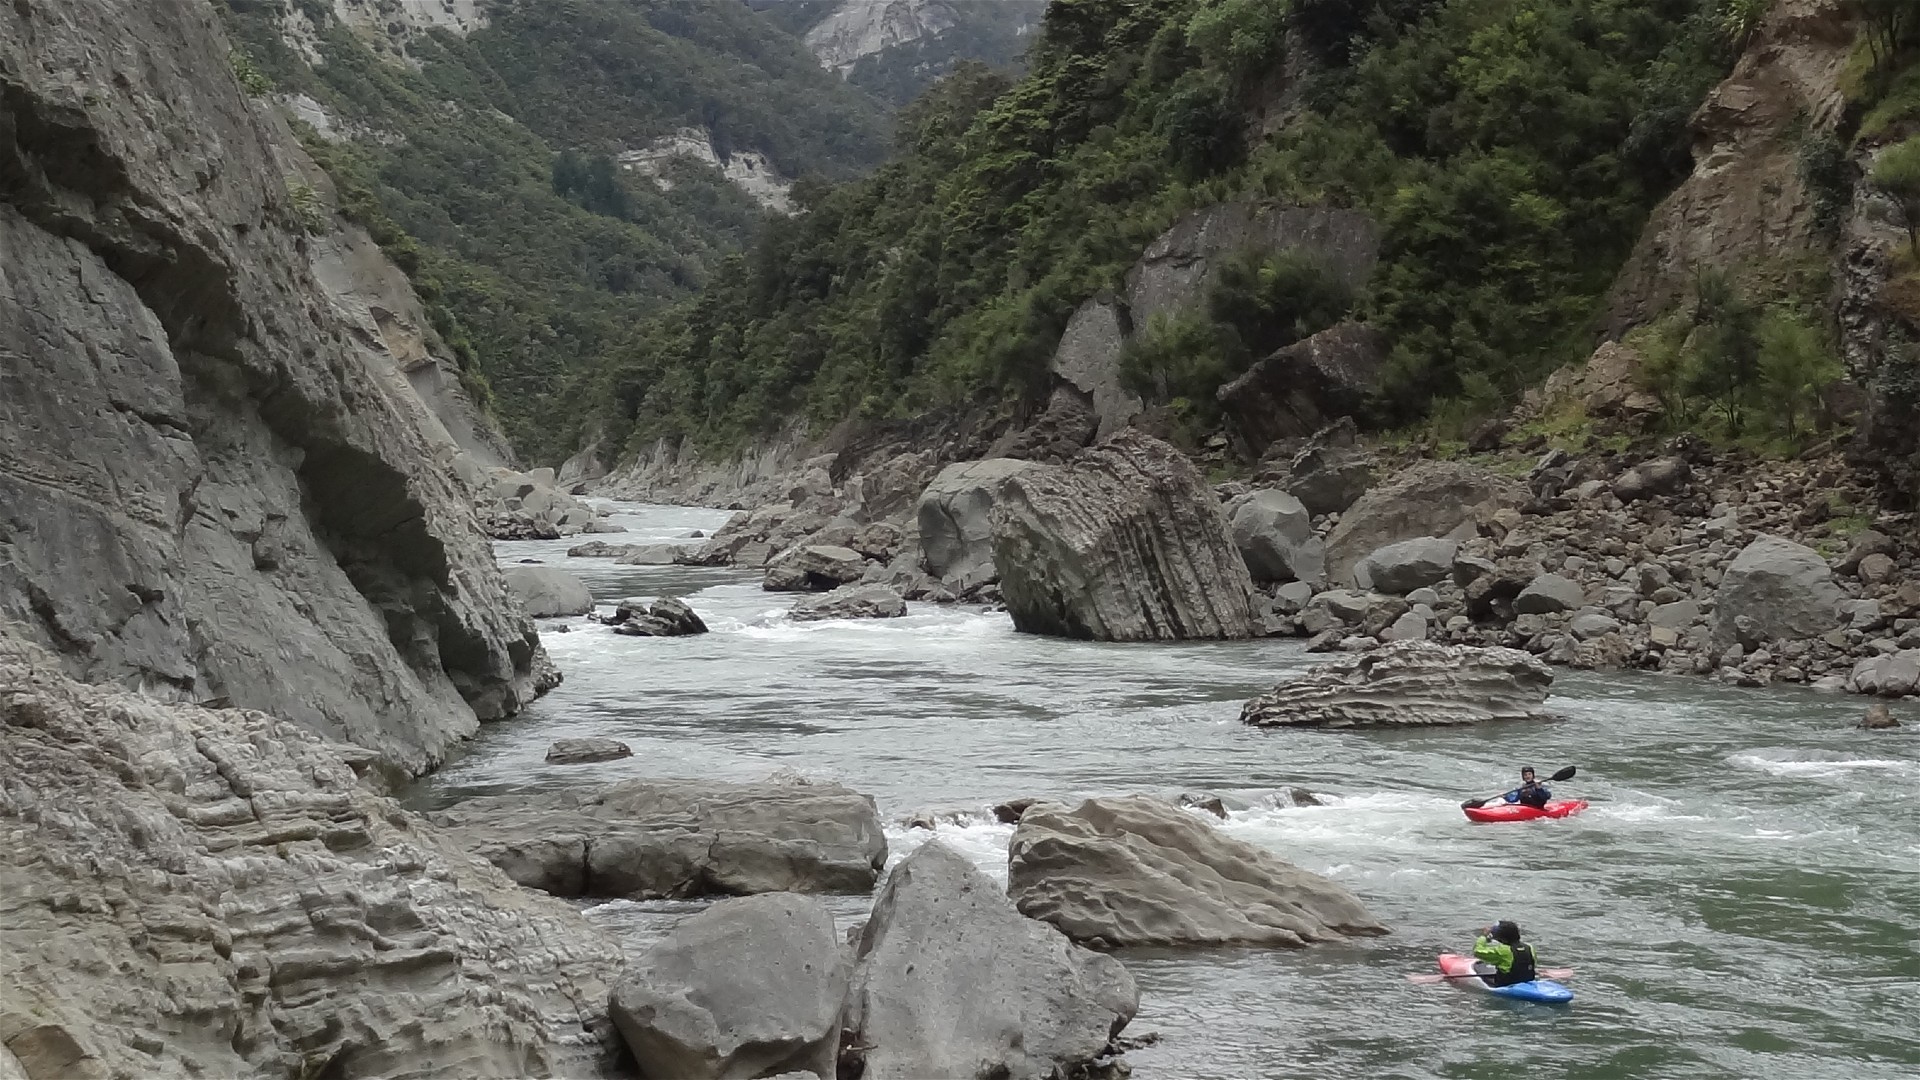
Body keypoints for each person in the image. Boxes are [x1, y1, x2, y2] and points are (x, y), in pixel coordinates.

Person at [1473, 920, 1540, 987]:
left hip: (1507, 984)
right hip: (1528, 981)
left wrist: (1484, 937)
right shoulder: (1530, 947)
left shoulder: (1503, 950)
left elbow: (1477, 951)